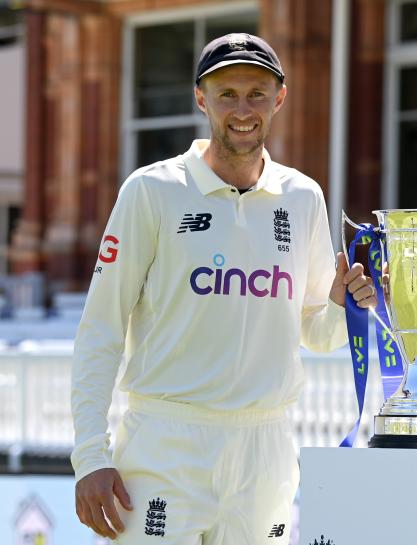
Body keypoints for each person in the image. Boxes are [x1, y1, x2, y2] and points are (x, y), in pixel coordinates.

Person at [71, 33, 377, 544]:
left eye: (257, 93)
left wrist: (347, 307)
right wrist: (89, 456)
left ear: (279, 98)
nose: (242, 109)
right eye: (226, 94)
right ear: (201, 98)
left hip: (266, 451)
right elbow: (100, 329)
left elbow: (316, 333)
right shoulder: (152, 190)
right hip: (166, 445)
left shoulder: (303, 197)